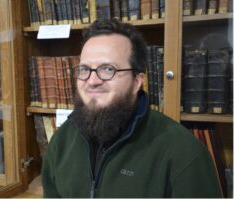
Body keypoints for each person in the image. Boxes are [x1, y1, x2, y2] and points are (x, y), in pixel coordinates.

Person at [41, 19, 222, 198]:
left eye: (108, 69)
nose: (92, 80)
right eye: (84, 69)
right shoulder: (61, 141)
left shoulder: (184, 154)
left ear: (137, 82)